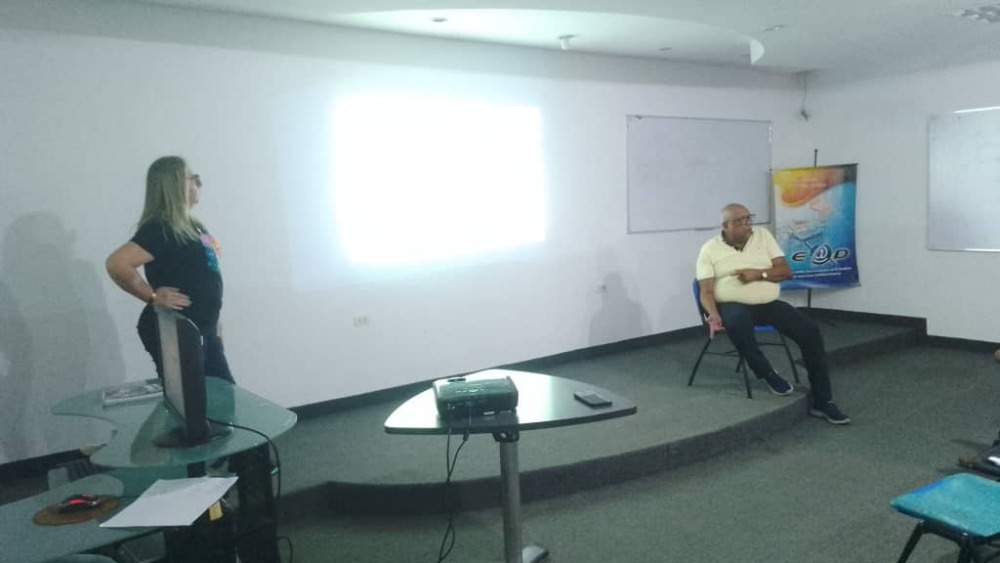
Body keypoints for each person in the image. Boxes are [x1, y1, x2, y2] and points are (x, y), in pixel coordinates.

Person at [695, 203, 849, 425]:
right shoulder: (709, 249)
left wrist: (758, 274)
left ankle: (823, 401)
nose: (747, 224)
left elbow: (785, 271)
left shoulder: (763, 236)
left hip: (767, 303)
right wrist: (713, 314)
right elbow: (706, 291)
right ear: (725, 226)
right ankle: (767, 373)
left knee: (810, 331)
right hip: (732, 304)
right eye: (740, 221)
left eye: (748, 218)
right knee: (737, 323)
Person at [106, 156, 233, 383]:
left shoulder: (194, 227)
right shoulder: (161, 228)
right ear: (174, 186)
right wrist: (153, 296)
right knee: (192, 397)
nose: (199, 184)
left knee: (221, 393)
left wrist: (214, 324)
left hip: (202, 328)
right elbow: (117, 264)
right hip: (178, 329)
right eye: (193, 178)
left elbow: (207, 276)